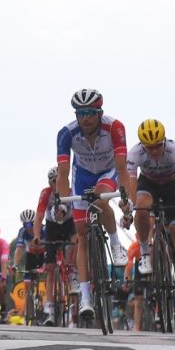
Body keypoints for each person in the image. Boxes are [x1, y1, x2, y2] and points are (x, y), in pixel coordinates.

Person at [55, 88, 128, 326]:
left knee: (99, 199)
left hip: (108, 172)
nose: (85, 118)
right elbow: (63, 174)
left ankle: (116, 243)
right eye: (80, 113)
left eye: (89, 113)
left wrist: (125, 197)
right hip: (82, 176)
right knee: (82, 237)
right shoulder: (66, 133)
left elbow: (122, 167)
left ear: (99, 113)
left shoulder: (114, 127)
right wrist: (62, 203)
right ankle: (86, 298)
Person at [123, 118, 175, 325]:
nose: (154, 151)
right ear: (142, 146)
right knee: (141, 206)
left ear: (164, 141)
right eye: (149, 148)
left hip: (172, 186)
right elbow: (132, 188)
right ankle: (145, 252)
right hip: (149, 184)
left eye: (157, 146)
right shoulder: (134, 154)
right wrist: (129, 211)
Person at [34, 165, 76, 326]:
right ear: (49, 183)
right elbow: (39, 217)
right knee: (50, 268)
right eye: (53, 181)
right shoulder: (46, 193)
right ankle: (50, 308)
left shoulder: (71, 191)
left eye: (58, 180)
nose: (56, 184)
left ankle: (72, 270)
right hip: (52, 226)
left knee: (77, 240)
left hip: (69, 223)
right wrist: (37, 236)